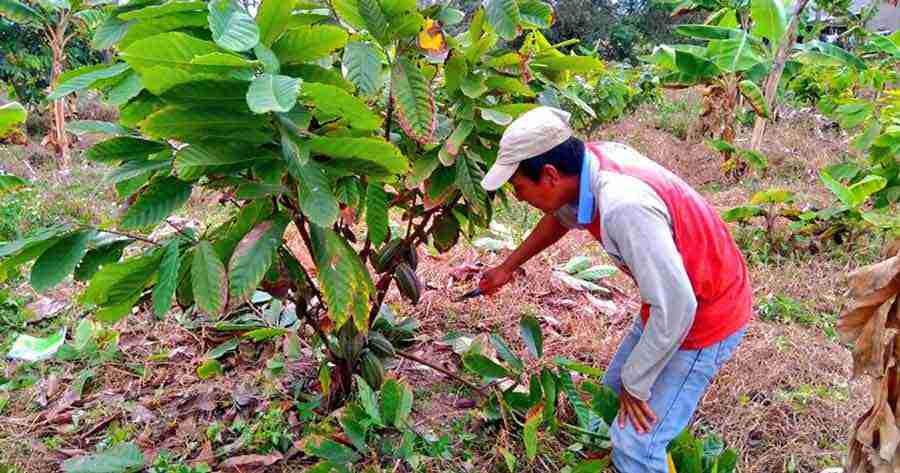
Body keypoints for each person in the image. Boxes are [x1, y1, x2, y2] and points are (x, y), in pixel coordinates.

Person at [477, 106, 751, 472]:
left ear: (550, 174)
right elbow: (560, 217)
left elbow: (677, 307)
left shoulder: (624, 205)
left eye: (518, 187)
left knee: (637, 443)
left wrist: (637, 383)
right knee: (609, 398)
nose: (518, 197)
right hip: (669, 303)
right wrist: (507, 267)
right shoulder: (588, 169)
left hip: (705, 316)